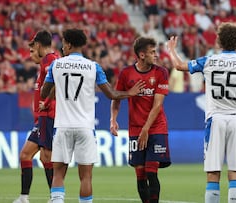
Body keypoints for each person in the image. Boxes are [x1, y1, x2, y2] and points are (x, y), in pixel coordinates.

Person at [166, 22, 236, 203]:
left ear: (219, 41)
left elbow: (179, 66)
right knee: (235, 173)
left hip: (215, 120)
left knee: (213, 173)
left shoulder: (209, 61)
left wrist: (171, 50)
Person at [40, 28, 145, 203]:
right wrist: (130, 92)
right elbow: (112, 94)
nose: (62, 46)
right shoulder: (93, 66)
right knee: (86, 177)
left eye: (64, 43)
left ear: (69, 44)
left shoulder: (55, 65)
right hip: (85, 128)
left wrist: (55, 85)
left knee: (58, 173)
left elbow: (44, 93)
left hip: (63, 126)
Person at [110, 36, 171, 203]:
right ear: (142, 55)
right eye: (152, 52)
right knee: (140, 173)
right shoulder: (126, 73)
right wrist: (113, 119)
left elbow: (157, 105)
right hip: (136, 128)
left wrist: (146, 130)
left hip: (156, 127)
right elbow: (116, 97)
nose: (156, 55)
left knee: (152, 170)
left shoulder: (161, 73)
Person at [13, 30, 59, 203]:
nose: (30, 55)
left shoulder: (50, 60)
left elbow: (58, 84)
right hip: (41, 118)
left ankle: (55, 197)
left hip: (48, 115)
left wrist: (46, 103)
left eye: (32, 51)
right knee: (26, 155)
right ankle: (24, 197)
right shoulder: (44, 65)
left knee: (46, 157)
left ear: (39, 45)